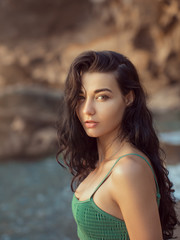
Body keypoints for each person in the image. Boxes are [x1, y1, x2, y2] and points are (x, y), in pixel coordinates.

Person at [56, 50, 179, 240]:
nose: (87, 110)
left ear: (128, 98)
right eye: (81, 97)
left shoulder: (128, 170)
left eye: (102, 97)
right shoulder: (99, 164)